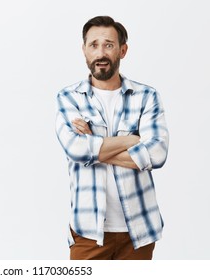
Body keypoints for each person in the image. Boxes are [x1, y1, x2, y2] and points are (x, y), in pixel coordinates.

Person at [55, 15, 169, 260]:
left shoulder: (146, 96)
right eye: (93, 45)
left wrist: (94, 147)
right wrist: (134, 140)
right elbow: (76, 149)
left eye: (108, 44)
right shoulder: (69, 97)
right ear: (84, 50)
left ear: (123, 50)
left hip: (139, 231)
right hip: (88, 232)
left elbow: (158, 153)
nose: (101, 53)